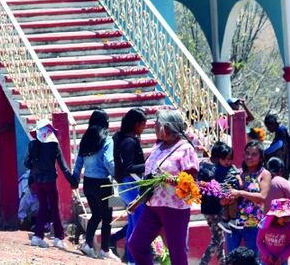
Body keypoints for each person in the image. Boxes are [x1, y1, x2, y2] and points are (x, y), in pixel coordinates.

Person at [126, 109, 200, 265]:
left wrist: (173, 180)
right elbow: (151, 175)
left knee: (176, 251)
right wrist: (139, 200)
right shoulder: (158, 147)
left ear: (166, 127)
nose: (154, 126)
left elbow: (191, 180)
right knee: (136, 244)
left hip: (174, 207)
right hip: (153, 205)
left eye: (156, 123)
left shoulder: (185, 149)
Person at [24, 119, 76, 249]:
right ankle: (58, 237)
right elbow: (64, 167)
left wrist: (35, 168)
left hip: (37, 181)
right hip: (50, 181)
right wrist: (73, 181)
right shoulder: (54, 145)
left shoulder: (32, 145)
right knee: (54, 208)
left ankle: (37, 236)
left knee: (42, 207)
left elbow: (26, 163)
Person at [72, 109, 115, 259]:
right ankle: (105, 250)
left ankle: (88, 244)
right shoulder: (107, 140)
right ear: (106, 123)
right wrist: (118, 175)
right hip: (103, 183)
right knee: (107, 217)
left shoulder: (85, 140)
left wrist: (74, 179)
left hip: (88, 183)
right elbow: (108, 161)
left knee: (95, 215)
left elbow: (78, 163)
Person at [113, 108, 148, 261]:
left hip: (126, 187)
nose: (144, 128)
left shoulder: (122, 138)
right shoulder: (129, 142)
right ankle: (134, 259)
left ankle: (130, 259)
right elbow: (128, 167)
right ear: (136, 124)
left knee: (133, 226)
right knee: (139, 227)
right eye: (143, 124)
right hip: (131, 187)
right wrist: (149, 165)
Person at [226, 141, 272, 254]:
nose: (249, 157)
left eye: (254, 154)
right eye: (247, 153)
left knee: (253, 258)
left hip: (254, 224)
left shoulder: (264, 174)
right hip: (234, 223)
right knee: (232, 258)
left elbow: (262, 196)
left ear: (261, 158)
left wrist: (240, 192)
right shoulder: (238, 173)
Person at [199, 141, 240, 265]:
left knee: (220, 238)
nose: (227, 161)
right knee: (218, 238)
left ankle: (223, 263)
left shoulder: (213, 166)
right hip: (211, 208)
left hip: (216, 207)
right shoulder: (209, 167)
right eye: (224, 158)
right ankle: (203, 263)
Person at [265, 157, 290, 229]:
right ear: (280, 171)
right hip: (280, 223)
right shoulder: (283, 182)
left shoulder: (262, 181)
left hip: (264, 223)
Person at [257, 199, 290, 265]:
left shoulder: (288, 227)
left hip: (282, 262)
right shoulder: (264, 226)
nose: (286, 219)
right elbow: (259, 242)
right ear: (275, 216)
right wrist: (267, 255)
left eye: (288, 217)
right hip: (266, 261)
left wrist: (282, 257)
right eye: (283, 217)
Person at [264, 114, 290, 178]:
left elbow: (279, 144)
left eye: (268, 126)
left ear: (272, 124)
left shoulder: (280, 130)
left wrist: (264, 152)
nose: (268, 129)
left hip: (285, 164)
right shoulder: (280, 130)